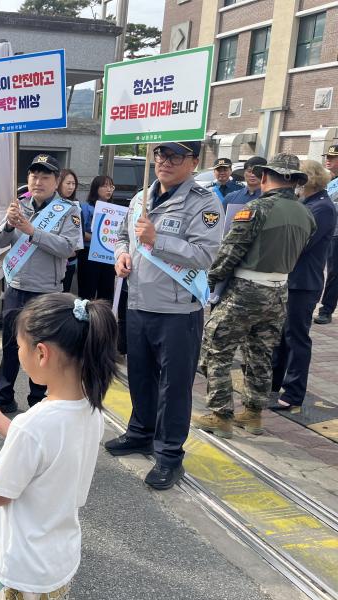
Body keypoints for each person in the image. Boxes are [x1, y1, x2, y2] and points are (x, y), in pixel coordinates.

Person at [0, 293, 117, 600]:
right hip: (58, 560)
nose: (18, 353)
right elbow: (48, 453)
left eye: (19, 346)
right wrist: (1, 423)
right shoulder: (90, 407)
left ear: (42, 353)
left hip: (22, 570)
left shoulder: (35, 424)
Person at [105, 141, 222, 490]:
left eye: (174, 156)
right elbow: (123, 236)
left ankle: (170, 456)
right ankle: (140, 432)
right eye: (160, 154)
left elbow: (205, 256)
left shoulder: (205, 203)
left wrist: (158, 241)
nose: (164, 162)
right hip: (138, 303)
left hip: (178, 310)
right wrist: (122, 254)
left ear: (193, 162)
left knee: (174, 387)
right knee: (139, 375)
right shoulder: (141, 196)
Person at [192, 154, 315, 438]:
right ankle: (253, 414)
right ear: (295, 180)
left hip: (245, 291)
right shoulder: (306, 213)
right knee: (260, 353)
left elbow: (229, 253)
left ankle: (220, 414)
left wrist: (207, 282)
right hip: (279, 291)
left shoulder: (256, 208)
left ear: (264, 177)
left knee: (216, 349)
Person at [0, 154, 83, 414]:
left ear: (56, 182)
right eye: (34, 175)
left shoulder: (68, 210)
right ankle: (3, 395)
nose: (38, 181)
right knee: (11, 344)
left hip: (46, 291)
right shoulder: (19, 205)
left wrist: (33, 232)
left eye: (45, 177)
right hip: (16, 286)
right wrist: (10, 226)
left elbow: (68, 248)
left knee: (43, 349)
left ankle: (38, 400)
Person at [269, 160, 335, 412]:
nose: (294, 184)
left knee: (297, 337)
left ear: (308, 180)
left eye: (298, 179)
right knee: (281, 335)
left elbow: (301, 241)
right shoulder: (307, 203)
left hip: (303, 282)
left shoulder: (323, 207)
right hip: (291, 278)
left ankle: (294, 392)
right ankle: (275, 383)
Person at [77, 175, 117, 302]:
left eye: (111, 186)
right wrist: (101, 238)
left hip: (108, 255)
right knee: (87, 293)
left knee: (106, 293)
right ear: (95, 188)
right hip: (88, 254)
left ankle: (103, 321)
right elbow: (80, 233)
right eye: (105, 186)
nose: (109, 189)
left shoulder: (115, 210)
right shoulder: (85, 207)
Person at [314, 144, 338, 324]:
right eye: (327, 157)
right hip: (321, 229)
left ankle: (327, 309)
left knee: (334, 272)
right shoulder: (324, 180)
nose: (328, 160)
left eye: (332, 158)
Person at [58, 168, 80, 293]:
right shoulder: (51, 206)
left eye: (74, 184)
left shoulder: (75, 206)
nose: (71, 187)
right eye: (68, 183)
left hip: (71, 260)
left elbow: (79, 233)